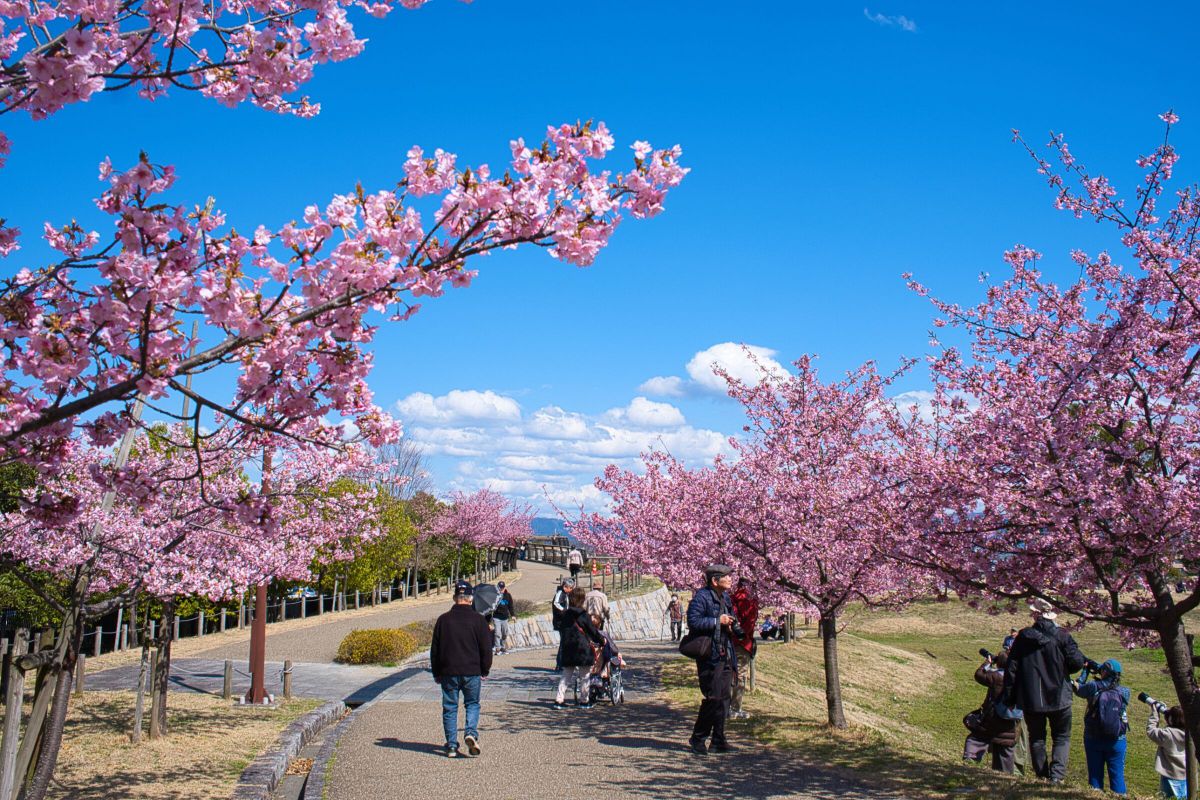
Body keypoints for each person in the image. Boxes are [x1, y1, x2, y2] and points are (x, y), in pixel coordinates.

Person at [1004, 598, 1088, 783]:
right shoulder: (1062, 636)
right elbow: (1077, 662)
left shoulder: (1023, 638)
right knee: (1062, 736)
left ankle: (1041, 775)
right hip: (1059, 695)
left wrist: (1009, 695)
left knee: (1037, 737)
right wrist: (1064, 669)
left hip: (1032, 697)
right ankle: (1057, 776)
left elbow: (1011, 668)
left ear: (1035, 615)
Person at [430, 581, 493, 758]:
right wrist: (485, 669)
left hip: (448, 670)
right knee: (472, 704)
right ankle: (470, 732)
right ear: (471, 599)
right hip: (472, 670)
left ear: (454, 598)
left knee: (450, 707)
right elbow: (486, 649)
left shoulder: (443, 620)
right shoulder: (479, 620)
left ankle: (451, 745)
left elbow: (435, 649)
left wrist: (436, 671)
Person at [686, 563, 739, 756]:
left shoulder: (725, 597)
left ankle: (718, 739)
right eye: (726, 577)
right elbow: (693, 621)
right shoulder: (702, 597)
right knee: (713, 697)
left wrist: (732, 624)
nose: (730, 579)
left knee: (724, 698)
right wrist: (718, 621)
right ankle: (698, 737)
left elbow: (730, 617)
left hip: (725, 652)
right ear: (715, 580)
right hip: (710, 654)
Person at [1073, 659, 1130, 794]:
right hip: (1117, 739)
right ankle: (1119, 796)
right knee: (1117, 777)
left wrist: (1086, 671)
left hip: (1093, 737)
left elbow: (1078, 688)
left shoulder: (1094, 687)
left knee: (1095, 776)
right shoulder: (1125, 692)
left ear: (1105, 671)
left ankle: (1096, 795)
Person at [963, 652, 1018, 773]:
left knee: (976, 738)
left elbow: (979, 674)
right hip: (1010, 718)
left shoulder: (995, 676)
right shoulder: (1019, 678)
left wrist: (988, 662)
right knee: (1005, 744)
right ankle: (1005, 774)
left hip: (992, 717)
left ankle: (970, 762)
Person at [554, 587, 605, 710]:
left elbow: (561, 628)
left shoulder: (565, 614)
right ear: (582, 599)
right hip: (582, 648)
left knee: (566, 675)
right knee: (585, 675)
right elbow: (592, 631)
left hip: (568, 647)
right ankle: (584, 700)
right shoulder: (583, 615)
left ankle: (559, 700)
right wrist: (601, 640)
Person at [729, 577, 758, 720]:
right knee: (740, 675)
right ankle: (735, 707)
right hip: (743, 643)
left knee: (728, 673)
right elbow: (750, 625)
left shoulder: (730, 599)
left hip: (728, 642)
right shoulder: (751, 602)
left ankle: (725, 706)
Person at [1147, 703, 1188, 799]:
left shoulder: (1167, 734)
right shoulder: (1191, 734)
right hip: (1186, 775)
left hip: (1169, 775)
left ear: (1171, 719)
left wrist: (1155, 714)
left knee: (1166, 797)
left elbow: (1151, 731)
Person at [552, 577, 574, 670]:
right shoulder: (560, 593)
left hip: (564, 620)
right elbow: (556, 603)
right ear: (566, 587)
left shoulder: (565, 594)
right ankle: (560, 664)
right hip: (561, 621)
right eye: (570, 588)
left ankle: (562, 663)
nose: (571, 590)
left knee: (565, 642)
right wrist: (565, 611)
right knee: (563, 642)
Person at [492, 580, 514, 655]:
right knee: (497, 633)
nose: (501, 589)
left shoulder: (508, 595)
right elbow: (491, 606)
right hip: (496, 617)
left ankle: (503, 647)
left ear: (504, 587)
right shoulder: (494, 596)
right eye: (500, 588)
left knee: (504, 633)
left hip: (505, 617)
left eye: (502, 587)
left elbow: (510, 606)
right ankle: (497, 648)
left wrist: (513, 615)